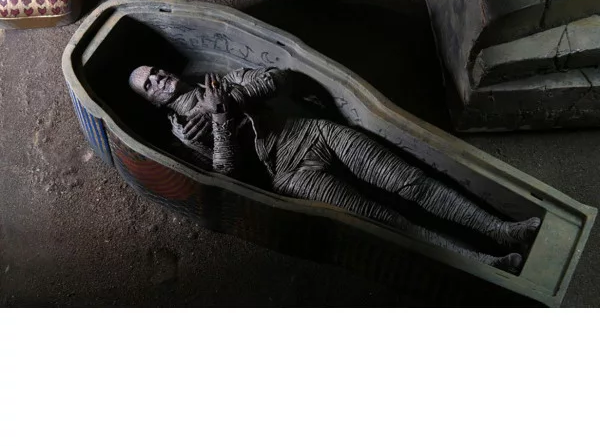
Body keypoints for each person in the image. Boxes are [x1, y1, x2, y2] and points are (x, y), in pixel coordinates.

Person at [129, 65, 540, 270]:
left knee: (410, 181)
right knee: (386, 222)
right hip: (289, 175)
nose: (159, 79)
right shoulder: (184, 136)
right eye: (149, 84)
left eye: (157, 71)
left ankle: (502, 230)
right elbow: (226, 175)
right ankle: (484, 263)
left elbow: (279, 78)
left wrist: (230, 99)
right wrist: (219, 122)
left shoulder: (217, 81)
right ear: (151, 101)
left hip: (311, 132)